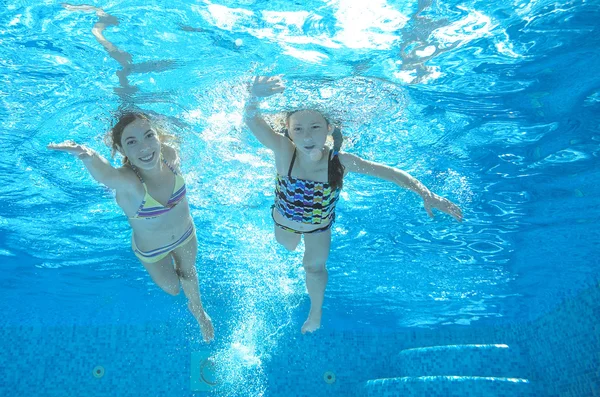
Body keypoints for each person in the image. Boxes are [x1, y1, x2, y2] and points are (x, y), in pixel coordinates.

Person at [244, 76, 463, 334]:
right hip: (285, 223)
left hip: (319, 228)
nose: (306, 136)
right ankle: (294, 246)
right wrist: (253, 98)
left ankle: (315, 314)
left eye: (314, 127)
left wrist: (426, 193)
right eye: (298, 129)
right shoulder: (284, 151)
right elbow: (253, 123)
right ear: (289, 132)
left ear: (328, 128)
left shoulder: (341, 161)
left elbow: (389, 173)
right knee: (288, 246)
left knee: (313, 268)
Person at [48, 5, 214, 342]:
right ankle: (107, 40)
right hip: (150, 250)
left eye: (149, 136)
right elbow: (103, 173)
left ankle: (199, 314)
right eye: (132, 142)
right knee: (171, 289)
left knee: (189, 273)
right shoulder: (127, 182)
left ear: (157, 136)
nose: (145, 147)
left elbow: (172, 141)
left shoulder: (167, 154)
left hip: (185, 234)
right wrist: (85, 154)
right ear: (123, 151)